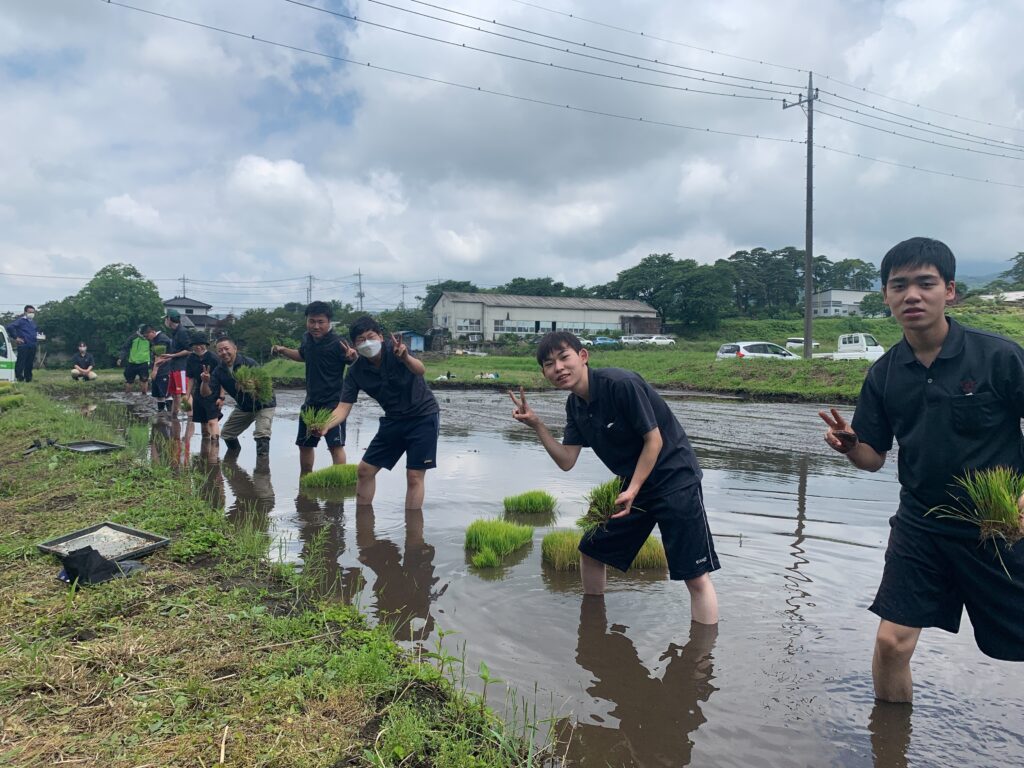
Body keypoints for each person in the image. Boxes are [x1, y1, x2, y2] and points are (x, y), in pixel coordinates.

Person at [820, 237, 1024, 703]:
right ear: (886, 296)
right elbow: (873, 459)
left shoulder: (998, 356)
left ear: (950, 291)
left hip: (1001, 524)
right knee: (892, 642)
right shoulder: (885, 373)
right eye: (899, 285)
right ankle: (890, 744)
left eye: (925, 283)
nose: (912, 295)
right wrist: (851, 446)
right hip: (922, 524)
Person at [509, 331, 719, 623]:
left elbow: (654, 441)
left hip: (675, 480)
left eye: (564, 357)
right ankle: (594, 626)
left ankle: (701, 662)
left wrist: (632, 489)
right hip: (634, 487)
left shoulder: (621, 384)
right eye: (548, 363)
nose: (558, 368)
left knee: (695, 577)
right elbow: (567, 461)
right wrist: (537, 425)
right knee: (592, 550)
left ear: (583, 357)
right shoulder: (575, 406)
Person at [317, 317, 439, 510]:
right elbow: (343, 407)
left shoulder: (397, 350)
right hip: (393, 420)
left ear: (381, 337)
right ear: (354, 345)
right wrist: (326, 424)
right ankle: (363, 524)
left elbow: (420, 370)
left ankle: (413, 534)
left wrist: (405, 357)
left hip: (422, 417)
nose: (367, 343)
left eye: (370, 337)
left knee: (414, 476)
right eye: (360, 340)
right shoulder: (356, 371)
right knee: (365, 471)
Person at [271, 300, 357, 473]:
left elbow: (353, 362)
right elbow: (303, 355)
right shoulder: (307, 338)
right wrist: (282, 350)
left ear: (329, 322)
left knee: (335, 446)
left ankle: (339, 487)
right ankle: (305, 479)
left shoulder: (338, 342)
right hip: (310, 402)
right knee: (304, 444)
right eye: (312, 321)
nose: (316, 326)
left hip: (333, 404)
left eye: (320, 322)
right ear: (307, 321)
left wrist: (353, 357)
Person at [201, 337, 275, 456]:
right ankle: (232, 462)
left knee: (262, 434)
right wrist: (204, 382)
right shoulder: (219, 371)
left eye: (226, 349)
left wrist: (253, 384)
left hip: (264, 404)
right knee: (227, 434)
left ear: (235, 349)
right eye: (220, 350)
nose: (224, 352)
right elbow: (206, 393)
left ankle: (262, 469)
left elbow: (266, 385)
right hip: (244, 406)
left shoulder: (249, 363)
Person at [155, 309, 192, 417]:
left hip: (182, 368)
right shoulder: (175, 332)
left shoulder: (182, 332)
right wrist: (166, 359)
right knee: (175, 394)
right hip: (175, 367)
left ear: (169, 319)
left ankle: (190, 416)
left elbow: (189, 350)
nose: (165, 321)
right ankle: (174, 416)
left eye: (166, 319)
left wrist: (172, 356)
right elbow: (177, 351)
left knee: (185, 393)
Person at [185, 333, 222, 440]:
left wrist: (221, 396)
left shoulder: (213, 358)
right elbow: (191, 378)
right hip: (198, 392)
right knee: (203, 423)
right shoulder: (191, 359)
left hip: (213, 392)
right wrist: (187, 395)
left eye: (201, 344)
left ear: (206, 345)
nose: (198, 347)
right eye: (195, 344)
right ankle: (205, 450)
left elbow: (222, 378)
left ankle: (215, 446)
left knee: (212, 421)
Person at [144, 326, 173, 412]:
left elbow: (160, 356)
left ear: (152, 332)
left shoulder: (161, 339)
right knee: (159, 394)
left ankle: (170, 413)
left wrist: (154, 370)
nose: (147, 338)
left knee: (166, 393)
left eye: (147, 336)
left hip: (165, 369)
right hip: (161, 369)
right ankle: (161, 413)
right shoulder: (156, 339)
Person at [6, 304, 38, 382]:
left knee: (29, 362)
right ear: (25, 312)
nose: (31, 314)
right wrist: (16, 337)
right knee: (21, 362)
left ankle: (28, 378)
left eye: (33, 312)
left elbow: (35, 332)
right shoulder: (21, 321)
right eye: (30, 312)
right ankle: (19, 377)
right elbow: (10, 327)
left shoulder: (33, 323)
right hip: (24, 345)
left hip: (32, 344)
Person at [118, 325, 153, 395]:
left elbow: (154, 349)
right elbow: (125, 348)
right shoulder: (133, 337)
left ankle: (144, 395)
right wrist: (120, 358)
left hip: (144, 362)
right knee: (129, 381)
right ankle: (127, 396)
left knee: (144, 380)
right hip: (132, 363)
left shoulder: (149, 339)